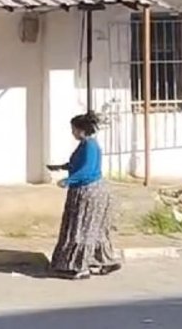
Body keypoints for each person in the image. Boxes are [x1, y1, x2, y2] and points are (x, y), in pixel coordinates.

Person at [49, 112, 120, 280]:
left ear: (81, 130)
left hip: (88, 191)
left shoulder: (89, 146)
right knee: (95, 228)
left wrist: (68, 181)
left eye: (73, 129)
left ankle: (79, 267)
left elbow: (87, 170)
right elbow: (79, 164)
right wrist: (62, 167)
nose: (72, 132)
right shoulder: (87, 145)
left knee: (82, 228)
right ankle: (104, 261)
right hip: (93, 189)